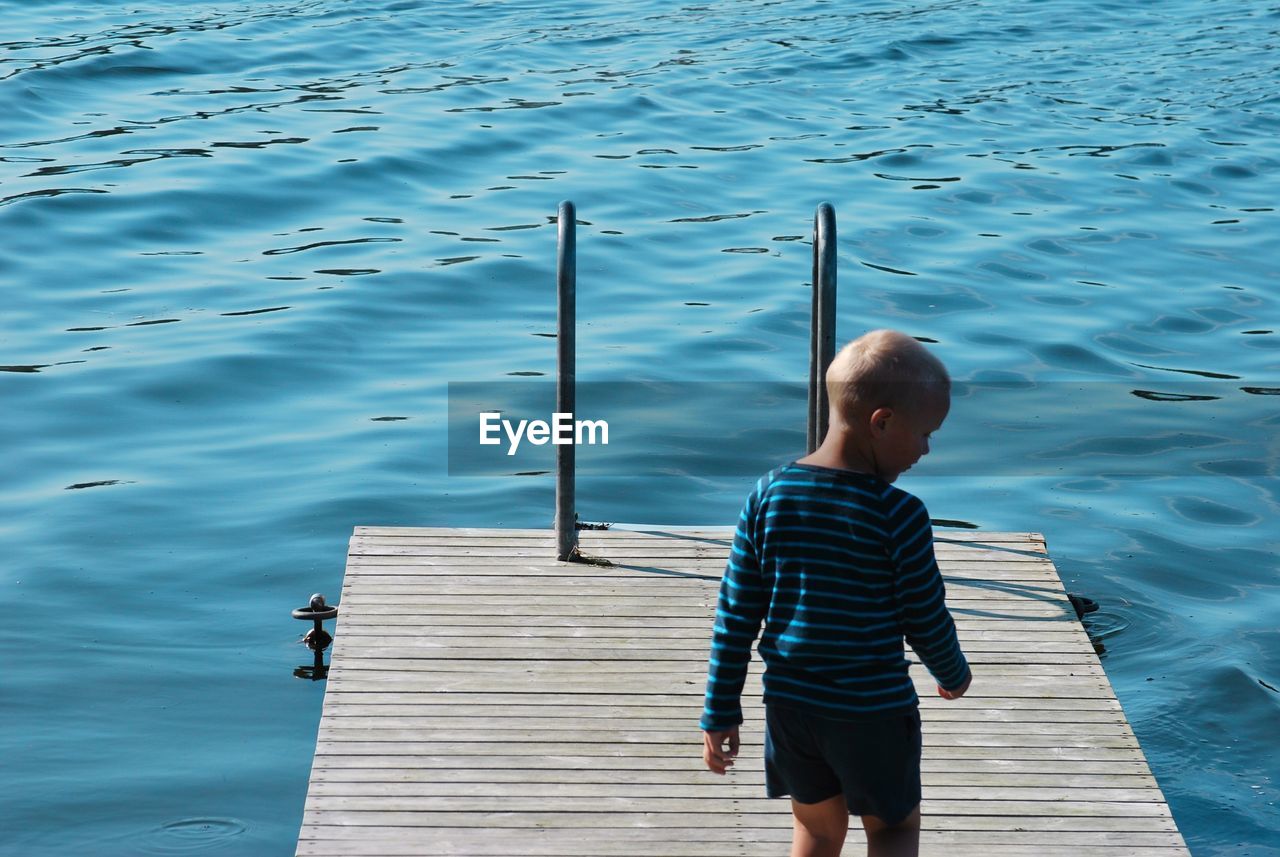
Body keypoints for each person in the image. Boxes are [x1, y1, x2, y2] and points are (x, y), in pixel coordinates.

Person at [700, 329, 972, 857]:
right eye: (925, 434)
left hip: (791, 708)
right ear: (883, 422)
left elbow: (736, 614)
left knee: (818, 832)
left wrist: (720, 707)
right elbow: (925, 615)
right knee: (893, 830)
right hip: (872, 713)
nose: (926, 449)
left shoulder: (769, 494)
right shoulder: (900, 515)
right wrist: (953, 673)